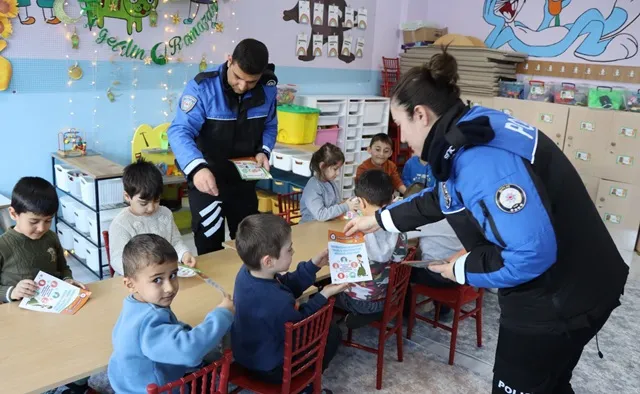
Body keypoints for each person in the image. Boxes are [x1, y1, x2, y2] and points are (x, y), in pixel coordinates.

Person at [344, 48, 629, 393]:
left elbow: (530, 256)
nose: (400, 138)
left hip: (558, 298)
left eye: (400, 125)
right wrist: (380, 219)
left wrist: (462, 268)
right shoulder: (469, 128)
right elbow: (443, 196)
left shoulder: (481, 157)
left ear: (420, 115)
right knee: (549, 383)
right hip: (578, 283)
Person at [168, 38, 278, 255]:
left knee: (251, 246)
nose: (242, 86)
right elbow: (180, 131)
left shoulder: (268, 89)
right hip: (207, 180)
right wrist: (197, 168)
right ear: (229, 60)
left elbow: (270, 125)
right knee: (209, 245)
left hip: (243, 181)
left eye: (251, 81)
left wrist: (264, 151)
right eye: (238, 77)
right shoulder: (202, 87)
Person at [231, 214, 348, 391]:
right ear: (268, 261)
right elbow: (303, 327)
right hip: (271, 369)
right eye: (289, 249)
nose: (293, 252)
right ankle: (305, 386)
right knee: (332, 333)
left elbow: (285, 285)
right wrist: (324, 294)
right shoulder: (276, 301)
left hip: (247, 355)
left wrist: (313, 265)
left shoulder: (247, 272)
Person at [108, 234, 234, 394]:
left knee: (208, 353)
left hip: (128, 382)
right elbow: (189, 352)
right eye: (157, 280)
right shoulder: (150, 320)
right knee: (209, 357)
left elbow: (165, 327)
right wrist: (222, 314)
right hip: (155, 389)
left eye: (173, 275)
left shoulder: (134, 304)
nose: (169, 287)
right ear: (130, 284)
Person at [336, 169, 408, 329]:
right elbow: (399, 259)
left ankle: (355, 318)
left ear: (360, 203)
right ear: (391, 199)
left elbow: (342, 271)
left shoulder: (354, 231)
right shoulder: (399, 228)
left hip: (358, 301)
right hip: (389, 297)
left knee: (321, 291)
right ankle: (372, 315)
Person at [0, 177, 85, 303]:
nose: (41, 228)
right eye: (34, 221)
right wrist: (12, 292)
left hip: (53, 304)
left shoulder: (51, 237)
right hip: (17, 311)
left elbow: (63, 268)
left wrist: (67, 279)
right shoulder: (3, 246)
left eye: (48, 221)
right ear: (13, 214)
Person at [109, 159, 196, 276]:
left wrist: (184, 254)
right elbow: (118, 260)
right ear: (127, 196)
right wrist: (143, 273)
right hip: (135, 279)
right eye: (143, 203)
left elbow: (175, 242)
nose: (151, 208)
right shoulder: (122, 223)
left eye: (156, 201)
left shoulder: (165, 214)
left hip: (163, 274)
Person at [403, 183, 465, 319]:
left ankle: (405, 314)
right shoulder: (453, 212)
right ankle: (443, 308)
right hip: (460, 270)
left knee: (403, 272)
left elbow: (402, 235)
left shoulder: (427, 220)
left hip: (440, 275)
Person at [300, 143, 360, 223]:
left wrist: (346, 203)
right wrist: (345, 206)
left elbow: (335, 204)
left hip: (326, 224)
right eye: (335, 169)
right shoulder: (313, 187)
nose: (338, 173)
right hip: (310, 227)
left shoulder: (330, 182)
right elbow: (321, 215)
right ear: (322, 166)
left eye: (339, 169)